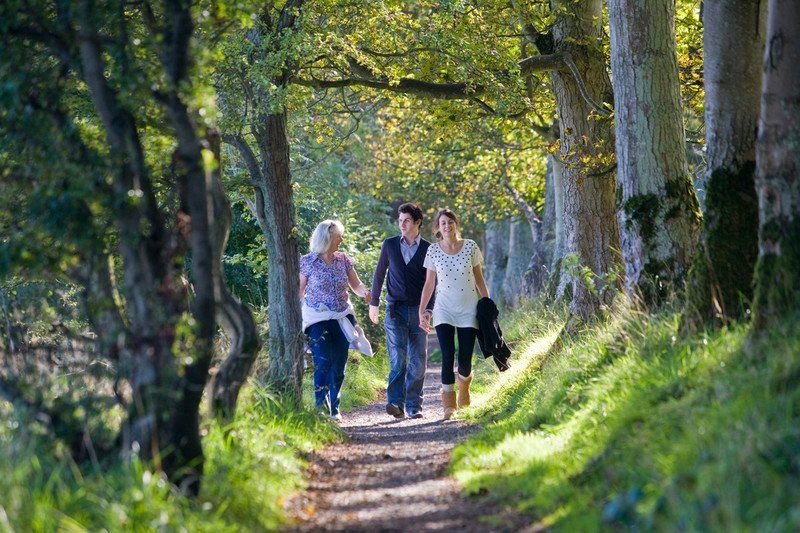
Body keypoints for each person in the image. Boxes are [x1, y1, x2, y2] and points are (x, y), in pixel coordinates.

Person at [419, 209, 489, 420]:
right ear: (437, 228)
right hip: (444, 308)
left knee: (465, 357)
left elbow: (479, 280)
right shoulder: (433, 250)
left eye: (450, 222)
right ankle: (448, 404)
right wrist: (422, 310)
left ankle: (464, 388)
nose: (447, 226)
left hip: (469, 307)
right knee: (448, 355)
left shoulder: (470, 247)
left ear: (456, 224)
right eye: (443, 223)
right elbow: (429, 283)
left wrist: (487, 304)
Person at [300, 220, 372, 421]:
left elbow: (355, 284)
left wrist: (365, 293)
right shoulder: (307, 261)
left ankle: (335, 408)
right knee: (322, 362)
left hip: (341, 317)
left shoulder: (343, 260)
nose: (341, 239)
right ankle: (320, 408)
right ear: (328, 238)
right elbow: (299, 291)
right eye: (338, 236)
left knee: (339, 365)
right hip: (317, 319)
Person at [370, 203, 434, 419]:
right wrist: (374, 304)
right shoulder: (389, 245)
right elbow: (379, 275)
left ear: (417, 223)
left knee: (418, 360)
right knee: (398, 358)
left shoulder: (428, 248)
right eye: (400, 220)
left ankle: (414, 406)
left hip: (419, 311)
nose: (402, 224)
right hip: (394, 309)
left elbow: (432, 283)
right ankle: (395, 403)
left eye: (407, 220)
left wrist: (428, 310)